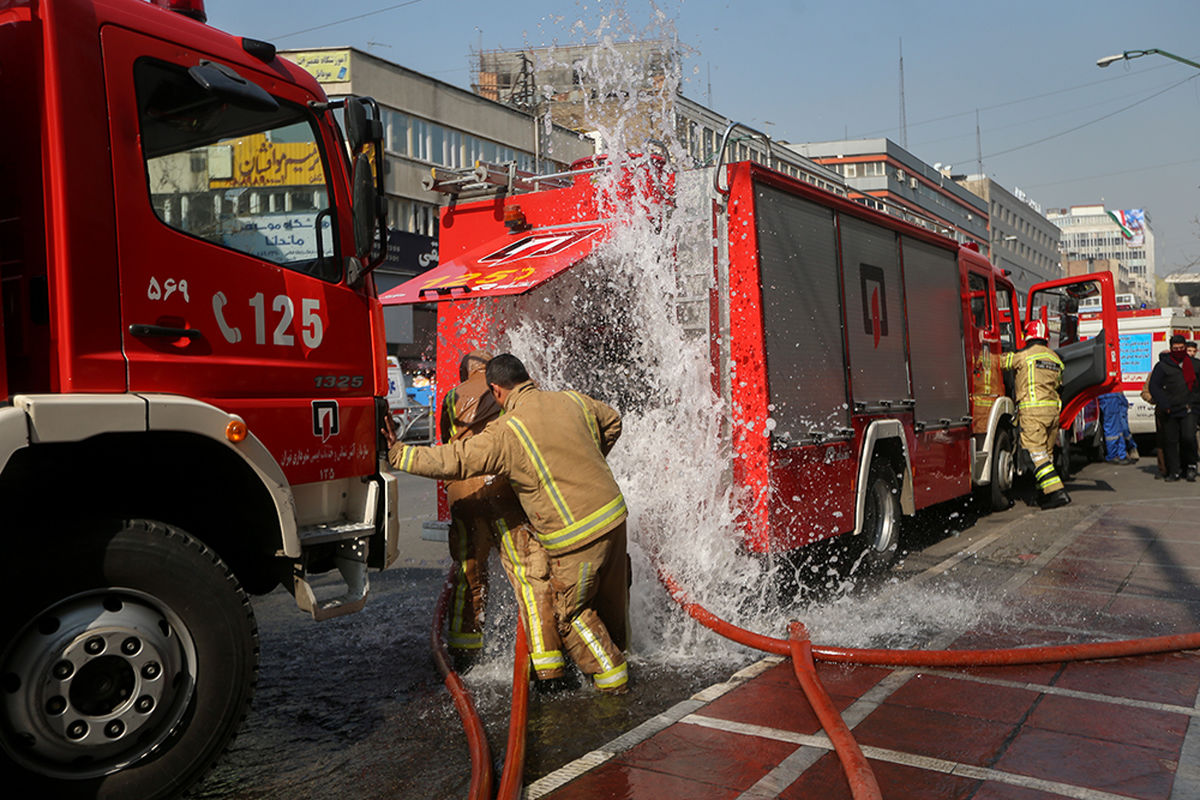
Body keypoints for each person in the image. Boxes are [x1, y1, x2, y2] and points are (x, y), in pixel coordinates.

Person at [385, 354, 631, 694]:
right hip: (615, 518)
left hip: (575, 535)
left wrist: (401, 454)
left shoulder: (508, 430)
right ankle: (612, 654)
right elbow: (613, 421)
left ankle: (614, 684)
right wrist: (584, 460)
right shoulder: (571, 399)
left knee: (570, 615)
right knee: (607, 600)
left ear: (497, 391)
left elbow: (456, 458)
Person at [434, 350, 563, 681]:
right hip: (500, 486)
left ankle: (464, 654)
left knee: (468, 572)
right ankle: (548, 665)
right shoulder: (502, 389)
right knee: (528, 574)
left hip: (463, 495)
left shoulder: (453, 396)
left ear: (464, 373)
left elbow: (448, 442)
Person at [1001, 319, 1070, 509]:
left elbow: (1001, 363)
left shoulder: (1023, 356)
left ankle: (1057, 492)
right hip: (1052, 412)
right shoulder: (1056, 359)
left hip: (1033, 412)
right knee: (1047, 455)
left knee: (1037, 454)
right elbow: (1060, 387)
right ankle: (1044, 494)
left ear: (1027, 336)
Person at [1146, 334, 1200, 482]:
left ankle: (1191, 466)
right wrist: (1164, 404)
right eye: (1175, 349)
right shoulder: (1163, 366)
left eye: (1181, 348)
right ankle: (1174, 470)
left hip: (1189, 408)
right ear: (1171, 349)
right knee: (1171, 441)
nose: (1179, 351)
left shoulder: (1195, 365)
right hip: (1170, 409)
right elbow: (1154, 386)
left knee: (1188, 437)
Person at [1097, 391, 1137, 465]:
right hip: (1109, 396)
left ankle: (1121, 454)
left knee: (1118, 429)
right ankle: (1113, 455)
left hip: (1113, 396)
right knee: (1112, 430)